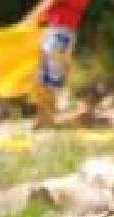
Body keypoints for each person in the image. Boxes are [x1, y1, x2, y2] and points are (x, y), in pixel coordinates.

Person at [25, 0, 91, 129]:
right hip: (55, 31)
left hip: (61, 33)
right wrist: (35, 18)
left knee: (51, 79)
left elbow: (49, 3)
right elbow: (52, 8)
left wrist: (29, 20)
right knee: (44, 79)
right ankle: (43, 117)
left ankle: (48, 117)